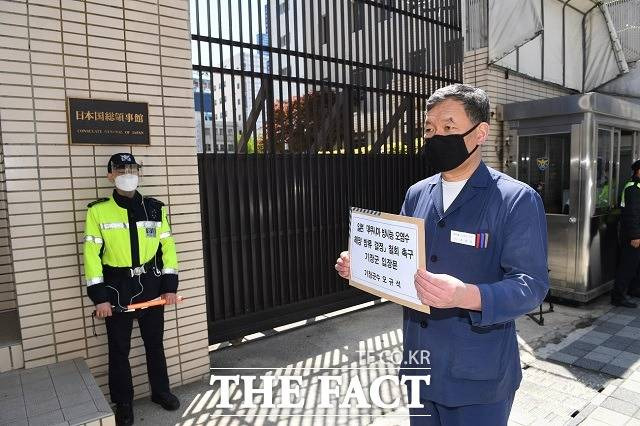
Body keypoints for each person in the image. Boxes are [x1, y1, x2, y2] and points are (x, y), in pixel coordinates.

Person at [335, 84, 549, 426]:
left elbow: (531, 285)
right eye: (430, 129)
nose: (436, 137)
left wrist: (467, 295)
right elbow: (406, 261)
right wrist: (363, 265)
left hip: (478, 377)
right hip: (421, 366)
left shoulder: (515, 200)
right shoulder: (417, 193)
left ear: (480, 133)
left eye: (448, 128)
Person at [83, 153, 181, 426]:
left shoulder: (154, 208)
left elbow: (168, 249)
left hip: (151, 285)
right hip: (116, 289)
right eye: (120, 168)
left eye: (132, 167)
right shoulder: (97, 211)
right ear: (110, 175)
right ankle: (123, 403)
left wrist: (170, 286)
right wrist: (99, 297)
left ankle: (161, 392)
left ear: (138, 172)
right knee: (118, 349)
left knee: (155, 344)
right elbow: (91, 257)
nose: (127, 172)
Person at [612, 160, 640, 308]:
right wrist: (635, 236)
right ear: (638, 171)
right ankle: (618, 296)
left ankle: (634, 289)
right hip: (632, 235)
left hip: (636, 233)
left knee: (636, 265)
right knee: (627, 265)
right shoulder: (633, 188)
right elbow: (631, 214)